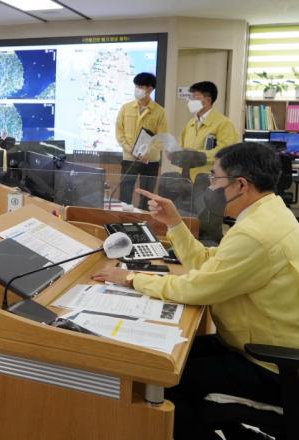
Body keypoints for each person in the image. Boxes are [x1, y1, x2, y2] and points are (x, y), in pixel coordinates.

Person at [92, 142, 299, 439]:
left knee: (166, 386)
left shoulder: (256, 233)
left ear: (241, 185)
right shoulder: (270, 213)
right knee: (165, 358)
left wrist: (131, 278)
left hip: (270, 368)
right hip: (252, 346)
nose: (211, 186)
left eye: (215, 178)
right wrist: (174, 223)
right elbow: (208, 265)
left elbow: (197, 288)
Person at [115, 72, 168, 209]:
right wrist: (130, 149)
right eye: (136, 86)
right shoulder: (125, 108)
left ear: (149, 89)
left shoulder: (159, 112)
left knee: (147, 196)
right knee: (125, 194)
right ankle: (123, 218)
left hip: (150, 160)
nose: (137, 89)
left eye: (140, 87)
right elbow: (119, 133)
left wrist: (148, 152)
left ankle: (143, 219)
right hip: (129, 158)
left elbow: (161, 138)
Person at [180, 81, 239, 182]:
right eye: (190, 98)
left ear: (208, 100)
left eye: (194, 98)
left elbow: (224, 153)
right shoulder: (190, 123)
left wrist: (196, 155)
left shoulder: (224, 123)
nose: (190, 102)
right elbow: (182, 146)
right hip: (186, 178)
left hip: (209, 179)